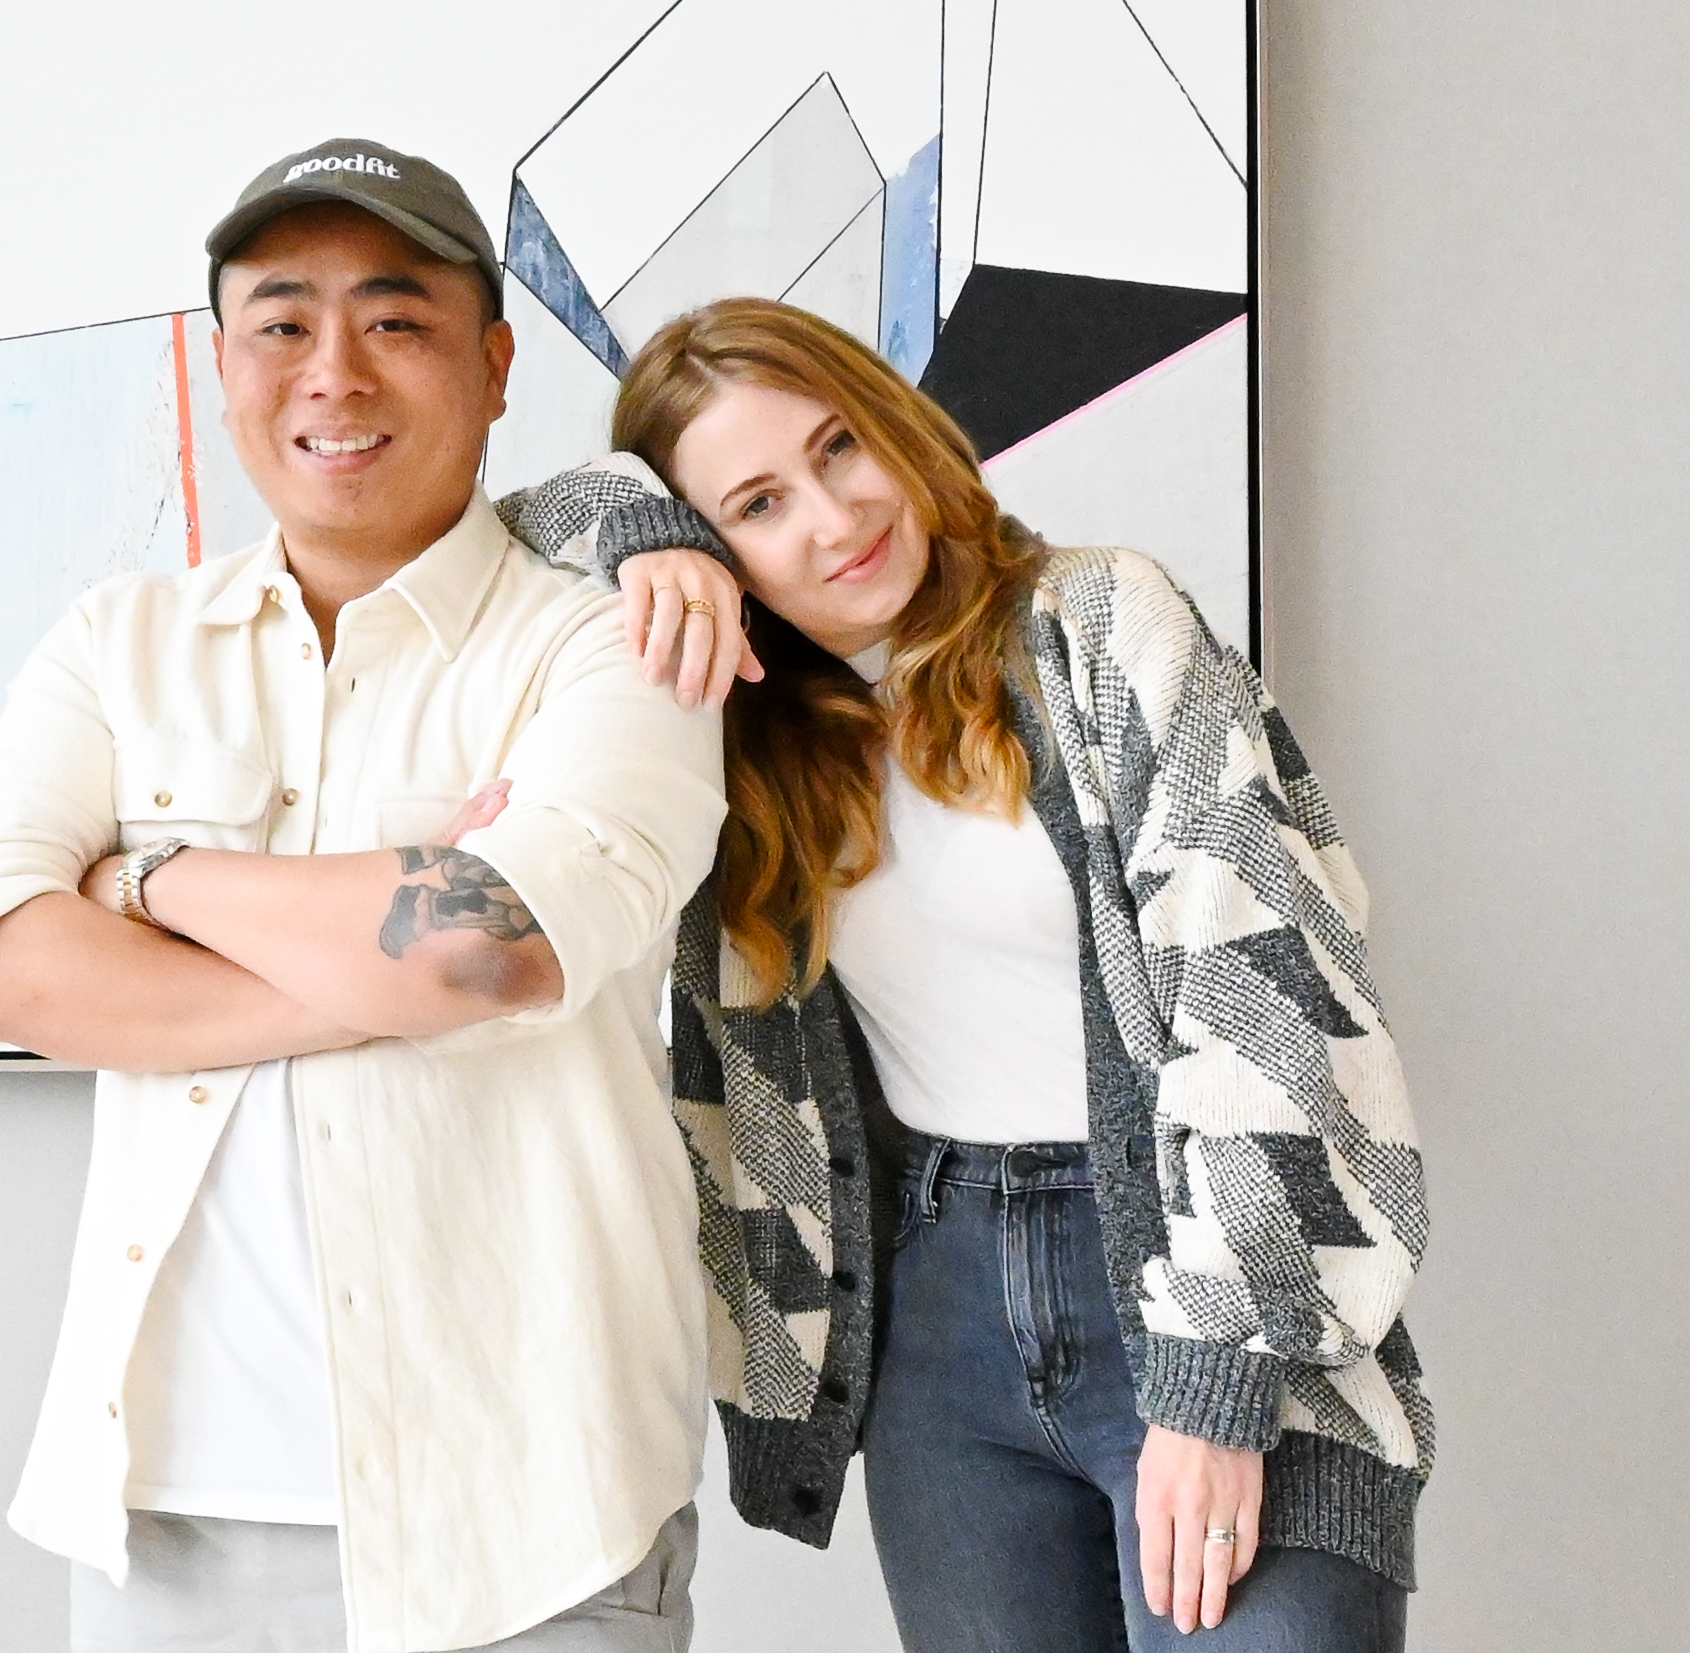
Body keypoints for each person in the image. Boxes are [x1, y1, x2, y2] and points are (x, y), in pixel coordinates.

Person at [502, 296, 1431, 1652]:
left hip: (1196, 1274)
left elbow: (1271, 985)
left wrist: (1216, 1383)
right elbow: (502, 539)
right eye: (756, 503)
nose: (831, 515)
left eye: (837, 446)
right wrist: (638, 532)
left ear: (893, 423)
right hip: (935, 1320)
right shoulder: (740, 743)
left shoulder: (1099, 624)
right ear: (712, 548)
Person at [0, 140, 725, 1653]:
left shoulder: (616, 643)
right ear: (223, 367)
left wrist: (149, 880)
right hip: (163, 1517)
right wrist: (383, 966)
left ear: (493, 368)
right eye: (281, 324)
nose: (331, 375)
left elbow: (485, 956)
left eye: (395, 320)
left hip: (531, 1511)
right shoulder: (120, 641)